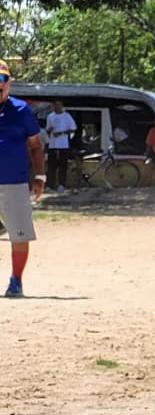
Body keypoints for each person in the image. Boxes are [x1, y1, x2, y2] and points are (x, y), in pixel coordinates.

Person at [0, 59, 46, 298]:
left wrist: (39, 176)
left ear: (9, 83)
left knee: (19, 233)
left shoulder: (21, 110)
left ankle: (16, 280)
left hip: (14, 182)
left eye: (2, 79)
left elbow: (35, 146)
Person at [43, 101, 75, 193]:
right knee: (51, 166)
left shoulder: (67, 116)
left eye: (58, 105)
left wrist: (61, 133)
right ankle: (50, 185)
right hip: (52, 145)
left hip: (63, 145)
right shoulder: (50, 116)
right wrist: (49, 130)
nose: (56, 107)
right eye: (55, 105)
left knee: (62, 165)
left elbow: (73, 129)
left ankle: (61, 185)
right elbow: (47, 130)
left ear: (61, 106)